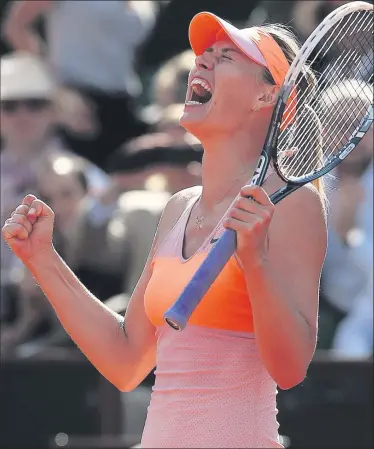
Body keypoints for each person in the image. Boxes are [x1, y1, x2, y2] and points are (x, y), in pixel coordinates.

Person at [2, 13, 327, 448]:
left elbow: (290, 370)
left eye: (224, 56)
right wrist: (42, 260)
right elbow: (125, 362)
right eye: (203, 55)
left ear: (267, 94)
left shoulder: (293, 203)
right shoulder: (179, 208)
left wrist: (255, 263)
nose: (201, 64)